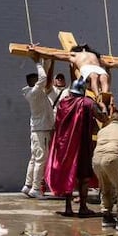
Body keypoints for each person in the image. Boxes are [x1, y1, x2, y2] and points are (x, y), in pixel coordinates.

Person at [45, 79, 101, 216]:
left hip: (64, 146)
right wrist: (102, 106)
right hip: (82, 145)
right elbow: (101, 116)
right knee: (84, 178)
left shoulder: (63, 103)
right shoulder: (87, 103)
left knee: (67, 175)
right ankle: (82, 207)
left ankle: (68, 207)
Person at [21, 52, 54, 198]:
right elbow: (43, 78)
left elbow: (43, 76)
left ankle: (28, 185)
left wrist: (45, 61)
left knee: (34, 158)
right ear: (33, 83)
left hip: (37, 130)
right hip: (41, 130)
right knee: (41, 159)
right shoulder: (35, 92)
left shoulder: (34, 93)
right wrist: (37, 61)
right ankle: (35, 188)